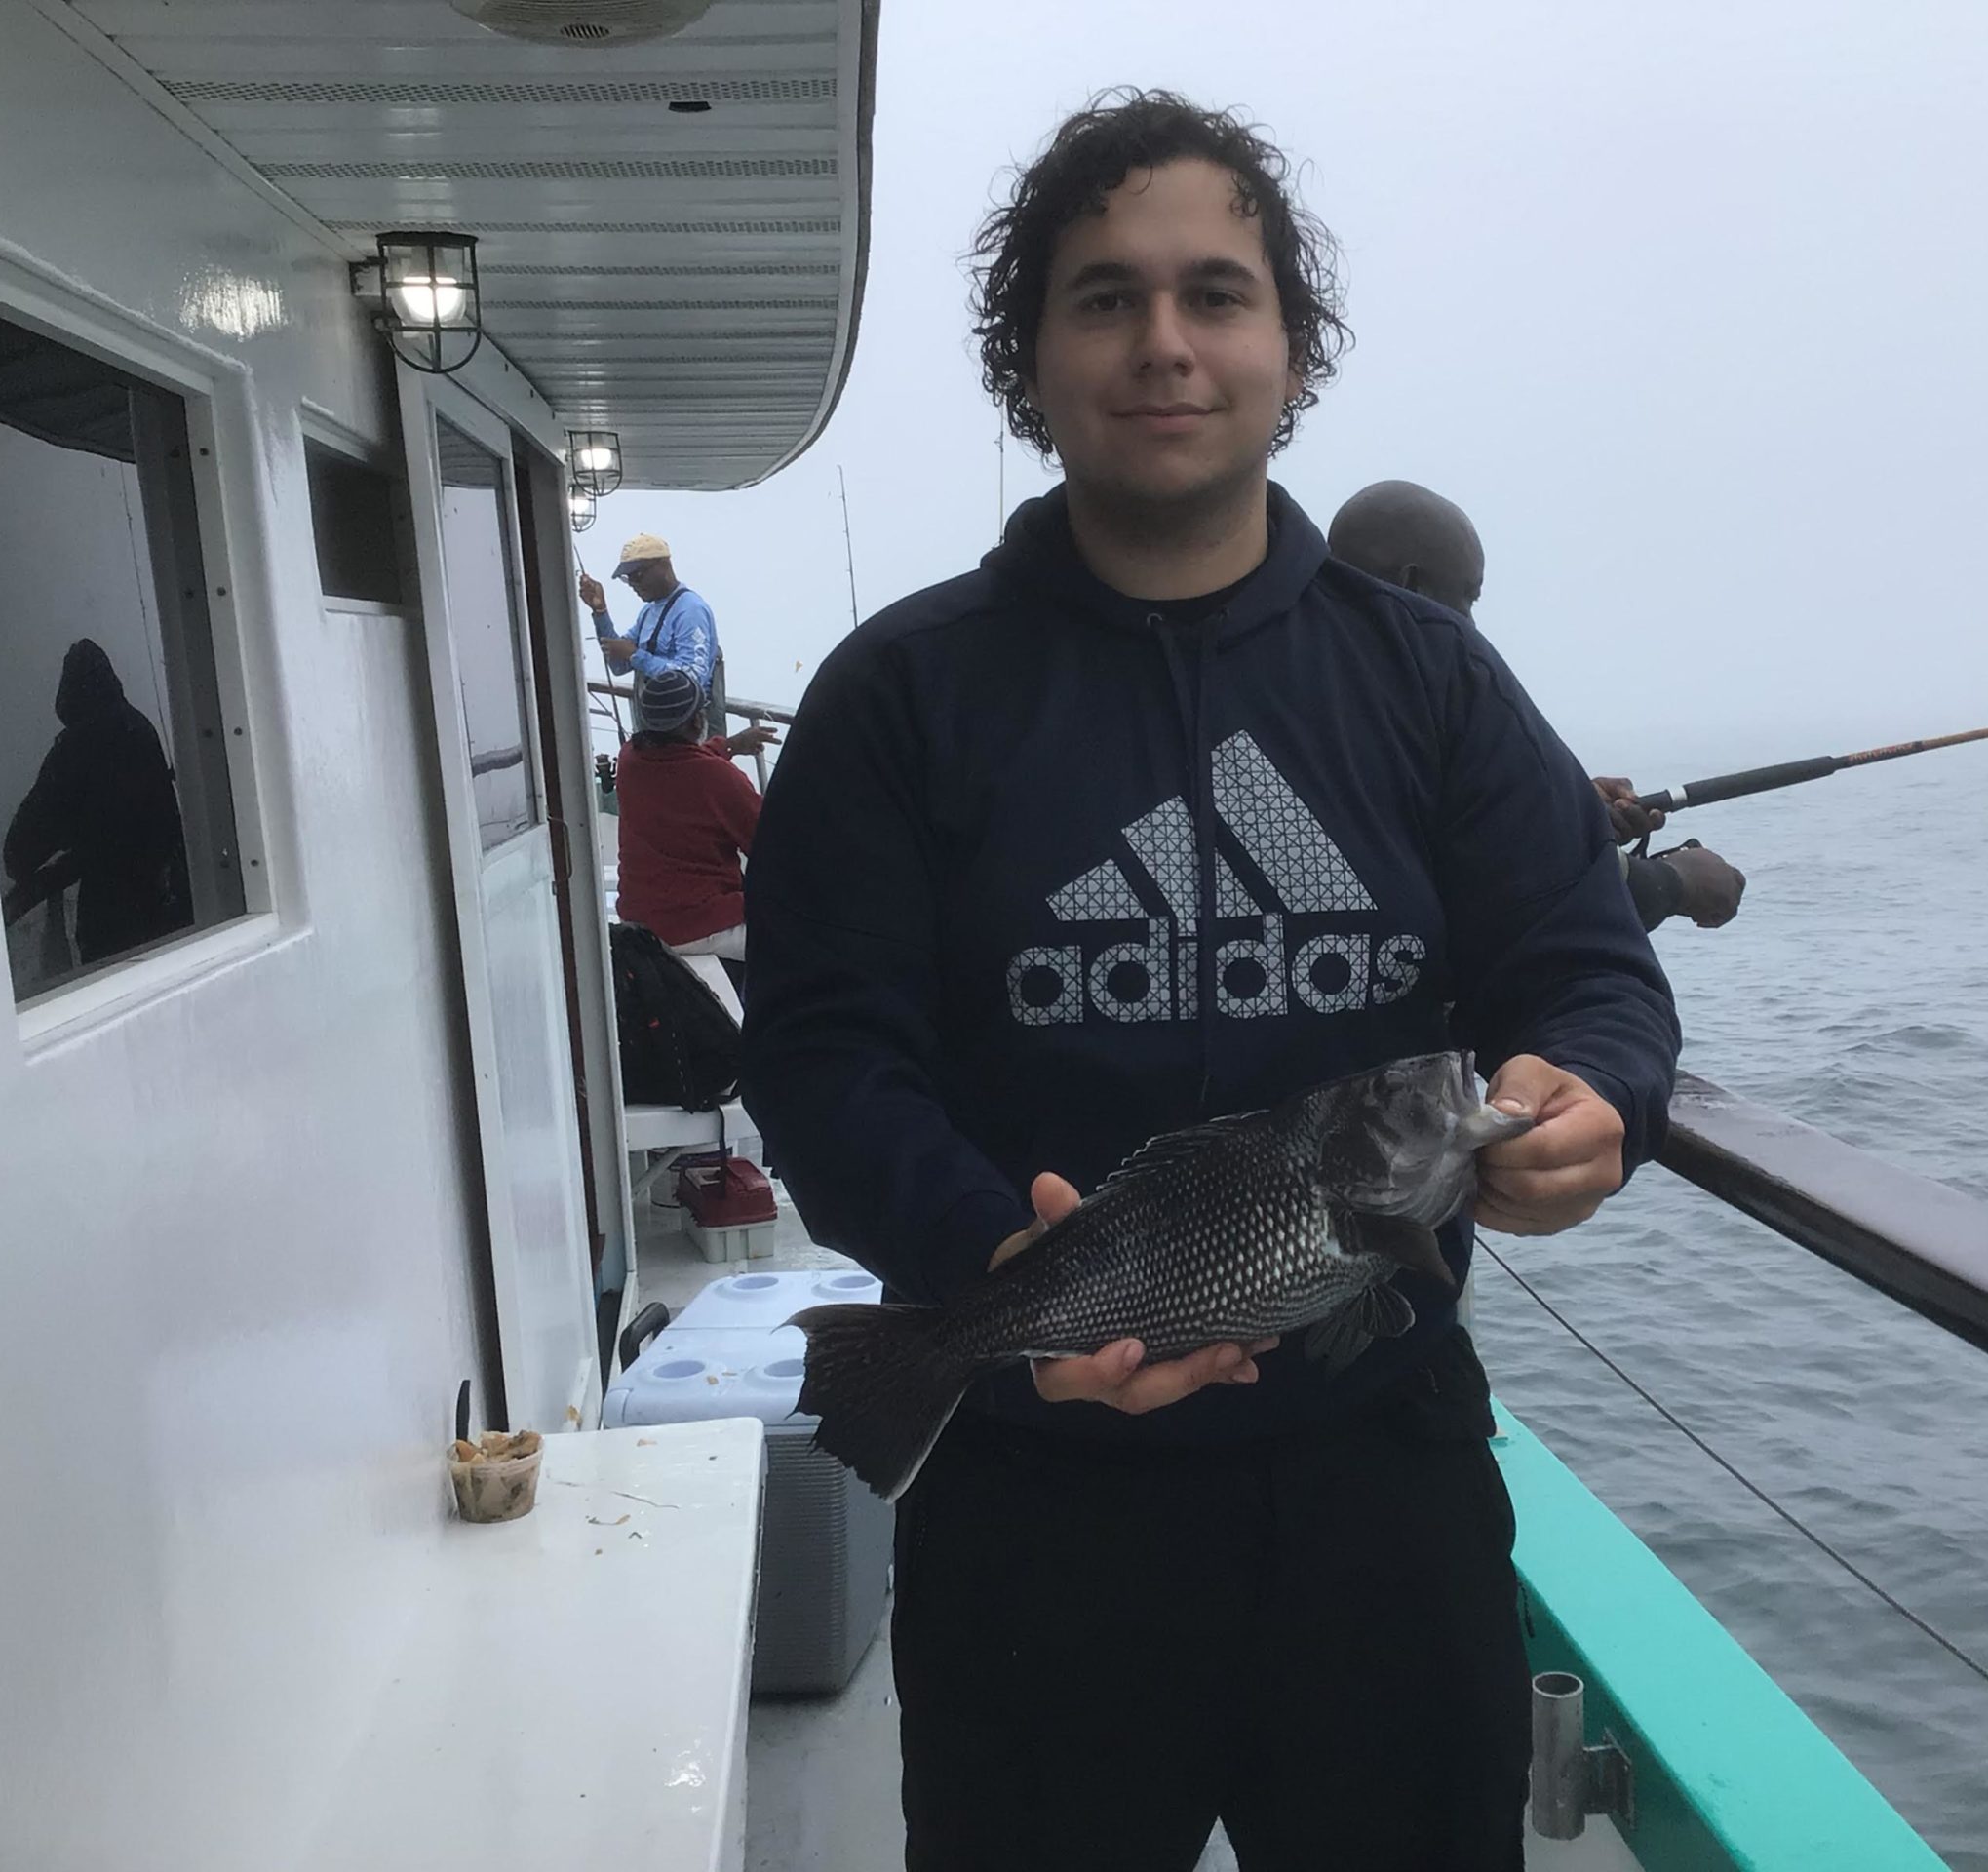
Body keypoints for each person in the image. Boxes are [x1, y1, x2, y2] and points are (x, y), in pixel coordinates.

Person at [744, 91, 1680, 1872]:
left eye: (1215, 295)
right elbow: (821, 1053)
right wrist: (981, 1255)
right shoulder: (900, 697)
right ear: (1031, 360)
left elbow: (1587, 971)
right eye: (1105, 297)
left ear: (1288, 350)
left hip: (1381, 1478)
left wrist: (1598, 1097)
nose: (1163, 343)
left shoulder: (1429, 683)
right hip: (1032, 1503)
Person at [1328, 479, 1747, 933]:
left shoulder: (1316, 700)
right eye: (1468, 597)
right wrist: (1679, 880)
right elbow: (1526, 890)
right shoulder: (1393, 722)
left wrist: (1565, 806)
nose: (1471, 627)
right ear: (1411, 586)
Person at [2, 637, 191, 967]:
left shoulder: (77, 748)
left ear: (68, 692)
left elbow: (19, 854)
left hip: (114, 931)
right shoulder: (140, 729)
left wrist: (69, 839)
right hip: (176, 917)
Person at [614, 666, 767, 971]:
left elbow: (681, 766)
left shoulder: (629, 759)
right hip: (696, 923)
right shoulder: (718, 778)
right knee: (809, 938)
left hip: (638, 917)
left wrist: (728, 746)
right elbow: (773, 845)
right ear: (698, 720)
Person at [578, 531, 742, 741]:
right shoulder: (648, 612)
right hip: (657, 732)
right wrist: (600, 611)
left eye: (637, 575)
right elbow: (619, 665)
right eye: (627, 578)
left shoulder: (691, 610)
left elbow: (693, 678)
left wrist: (636, 655)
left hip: (690, 734)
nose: (633, 584)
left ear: (664, 565)